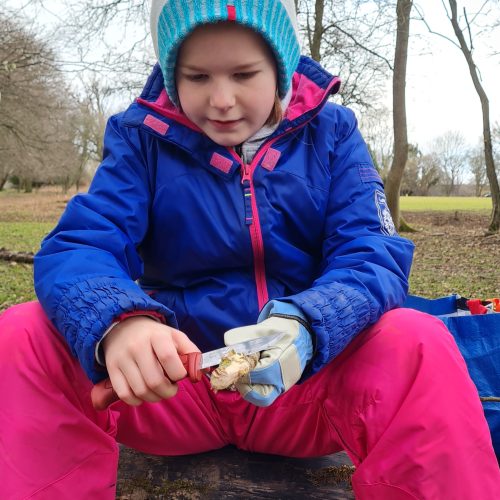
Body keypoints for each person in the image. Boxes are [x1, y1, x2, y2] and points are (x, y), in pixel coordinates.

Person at [1, 1, 498, 498]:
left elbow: (371, 252)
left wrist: (310, 324)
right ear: (173, 77)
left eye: (243, 74)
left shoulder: (334, 133)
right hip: (170, 388)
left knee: (420, 341)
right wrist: (120, 321)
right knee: (20, 336)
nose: (221, 99)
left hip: (306, 388)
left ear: (280, 68)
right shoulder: (141, 138)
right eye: (197, 77)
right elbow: (81, 244)